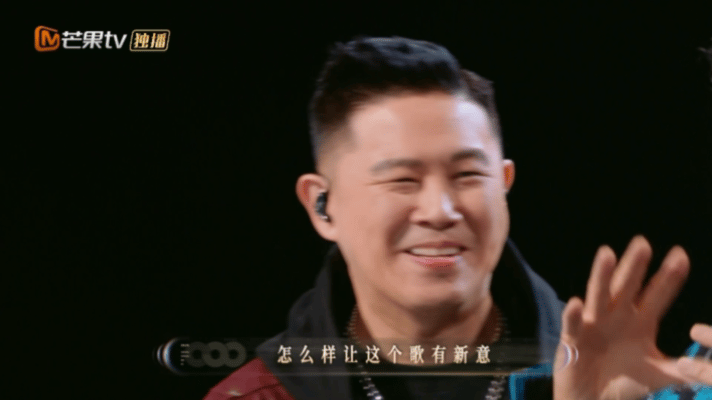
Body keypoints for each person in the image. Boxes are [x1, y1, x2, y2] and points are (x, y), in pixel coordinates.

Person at [204, 36, 712, 400]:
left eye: (468, 175)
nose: (440, 211)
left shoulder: (610, 375)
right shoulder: (260, 393)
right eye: (402, 180)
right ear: (322, 205)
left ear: (504, 184)